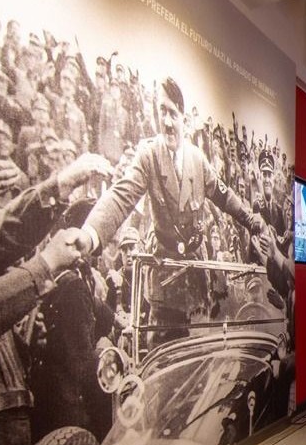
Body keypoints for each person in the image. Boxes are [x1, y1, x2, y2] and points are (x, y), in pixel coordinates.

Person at [74, 77, 266, 340]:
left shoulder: (197, 160)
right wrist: (90, 233)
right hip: (164, 280)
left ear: (183, 118)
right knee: (163, 353)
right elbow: (121, 196)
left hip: (196, 281)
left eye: (172, 113)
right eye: (161, 111)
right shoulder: (149, 156)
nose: (166, 121)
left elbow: (224, 196)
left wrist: (251, 221)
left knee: (199, 352)